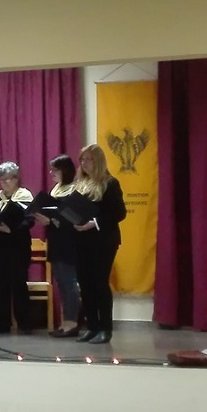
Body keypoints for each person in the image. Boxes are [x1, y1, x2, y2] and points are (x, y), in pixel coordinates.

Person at [73, 144, 127, 344]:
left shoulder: (110, 183)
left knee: (99, 283)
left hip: (103, 240)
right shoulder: (80, 184)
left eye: (88, 159)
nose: (84, 163)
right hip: (82, 240)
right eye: (82, 159)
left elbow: (119, 213)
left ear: (98, 161)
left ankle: (105, 329)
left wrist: (93, 222)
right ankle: (92, 327)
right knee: (85, 284)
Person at [33, 155, 81, 338]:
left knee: (70, 283)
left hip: (69, 240)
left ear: (65, 170)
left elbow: (75, 218)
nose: (51, 173)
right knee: (61, 282)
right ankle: (65, 322)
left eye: (55, 169)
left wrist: (52, 220)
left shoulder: (75, 189)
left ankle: (72, 322)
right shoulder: (56, 189)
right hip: (55, 240)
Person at [0, 161, 34, 334]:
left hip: (18, 244)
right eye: (3, 179)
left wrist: (12, 229)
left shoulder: (24, 195)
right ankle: (2, 323)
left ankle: (24, 323)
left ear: (17, 179)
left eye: (10, 178)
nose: (6, 182)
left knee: (18, 283)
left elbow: (29, 220)